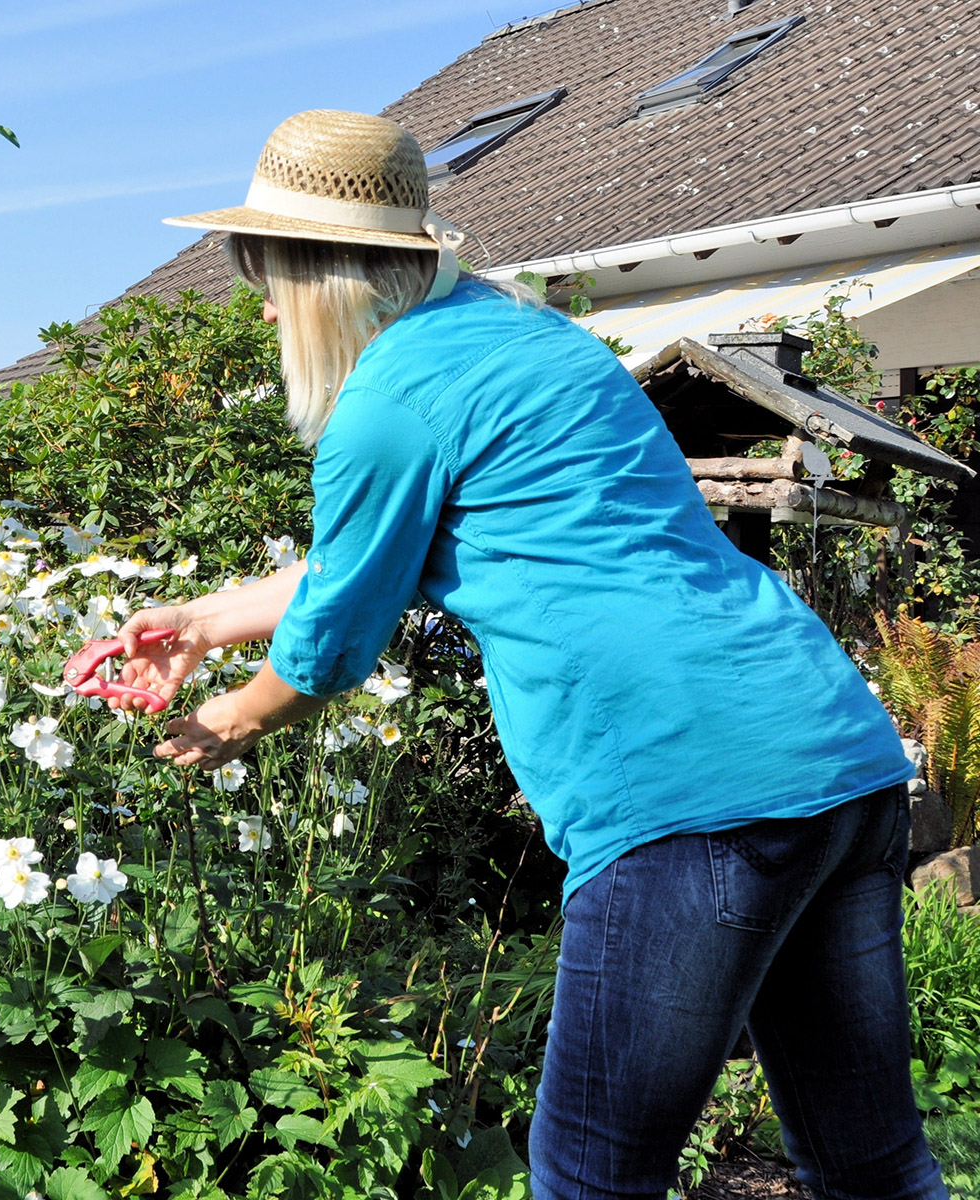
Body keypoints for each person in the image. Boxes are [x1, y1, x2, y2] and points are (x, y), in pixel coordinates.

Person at [111, 109, 946, 1200]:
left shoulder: (390, 401)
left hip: (683, 784)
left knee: (590, 1178)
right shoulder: (527, 339)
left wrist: (225, 721)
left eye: (261, 272)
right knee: (868, 1163)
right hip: (832, 754)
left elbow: (334, 644)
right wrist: (206, 618)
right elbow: (380, 562)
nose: (259, 300)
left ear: (316, 276)